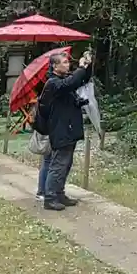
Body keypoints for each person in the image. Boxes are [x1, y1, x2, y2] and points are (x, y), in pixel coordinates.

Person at [37, 48, 92, 211]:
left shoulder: (63, 81)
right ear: (55, 66)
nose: (68, 65)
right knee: (58, 164)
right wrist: (80, 68)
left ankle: (59, 194)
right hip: (60, 129)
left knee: (65, 164)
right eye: (65, 62)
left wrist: (87, 66)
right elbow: (71, 82)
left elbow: (80, 80)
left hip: (69, 128)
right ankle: (50, 197)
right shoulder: (53, 83)